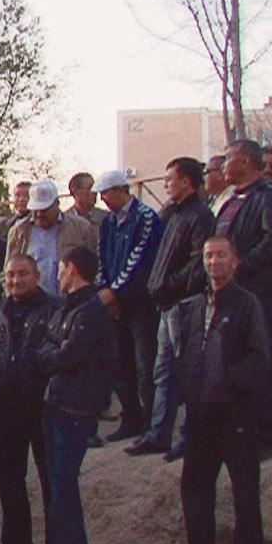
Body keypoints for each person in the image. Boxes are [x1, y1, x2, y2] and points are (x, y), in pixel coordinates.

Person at [172, 237, 269, 544]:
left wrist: (229, 382)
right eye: (209, 256)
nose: (214, 262)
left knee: (244, 487)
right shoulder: (195, 306)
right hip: (199, 414)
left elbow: (260, 357)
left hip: (236, 412)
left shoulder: (247, 304)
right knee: (194, 486)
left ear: (235, 261)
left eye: (221, 255)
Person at [22, 246, 114, 544]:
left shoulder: (90, 311)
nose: (57, 274)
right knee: (62, 489)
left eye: (61, 268)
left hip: (74, 407)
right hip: (60, 403)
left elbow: (65, 355)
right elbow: (47, 348)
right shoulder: (70, 309)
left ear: (72, 269)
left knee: (60, 490)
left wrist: (51, 355)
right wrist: (52, 354)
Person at [128, 157, 213, 460]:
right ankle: (158, 434)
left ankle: (189, 437)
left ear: (187, 182)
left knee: (185, 373)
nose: (165, 185)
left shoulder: (199, 216)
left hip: (185, 304)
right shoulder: (173, 214)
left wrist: (171, 284)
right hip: (168, 304)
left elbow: (198, 263)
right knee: (163, 370)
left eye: (169, 179)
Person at [215, 139, 272, 453]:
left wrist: (240, 267)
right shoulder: (231, 199)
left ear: (244, 161)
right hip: (232, 294)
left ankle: (264, 436)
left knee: (262, 363)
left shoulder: (269, 197)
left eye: (227, 160)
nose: (222, 166)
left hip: (259, 294)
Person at [0, 253, 58, 544]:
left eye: (23, 274)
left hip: (42, 405)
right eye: (11, 275)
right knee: (9, 481)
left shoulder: (54, 309)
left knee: (50, 481)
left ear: (37, 275)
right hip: (4, 407)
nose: (16, 280)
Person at [94, 170, 162, 442]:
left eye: (106, 193)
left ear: (121, 190)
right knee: (119, 364)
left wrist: (116, 292)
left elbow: (140, 259)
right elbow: (102, 259)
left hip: (140, 302)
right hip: (114, 304)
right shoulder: (108, 223)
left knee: (146, 365)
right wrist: (104, 291)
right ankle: (131, 417)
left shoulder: (146, 218)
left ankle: (152, 423)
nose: (103, 199)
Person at [6, 180, 98, 297]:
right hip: (31, 307)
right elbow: (7, 272)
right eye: (36, 210)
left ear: (57, 204)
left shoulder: (82, 228)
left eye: (44, 210)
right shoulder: (18, 232)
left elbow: (94, 267)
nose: (39, 214)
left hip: (70, 303)